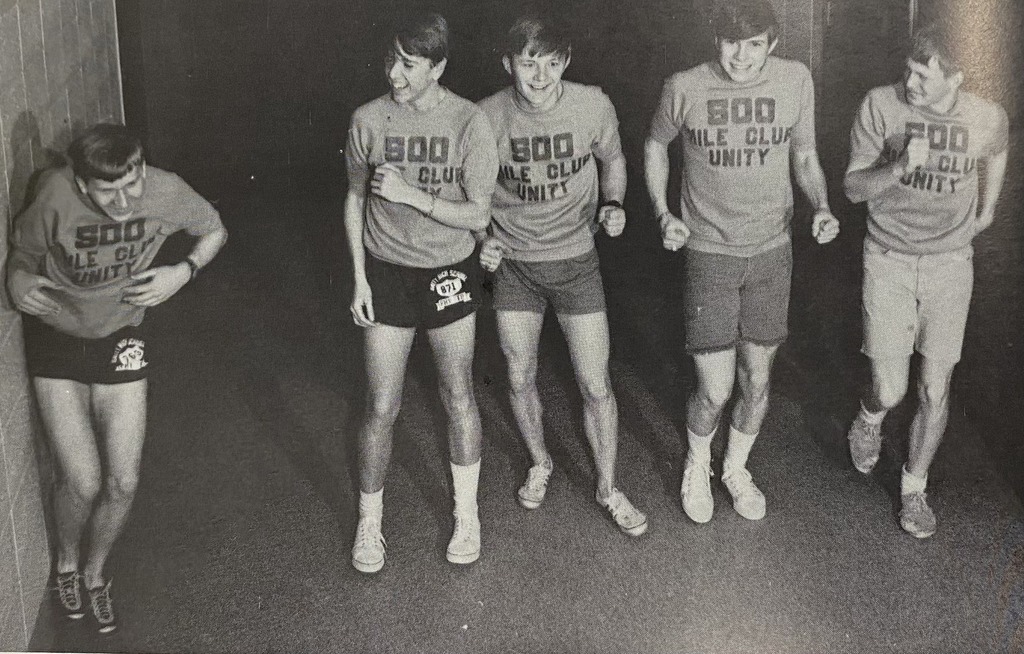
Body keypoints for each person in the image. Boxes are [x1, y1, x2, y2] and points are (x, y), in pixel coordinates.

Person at [6, 123, 228, 632]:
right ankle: (66, 564)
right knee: (82, 482)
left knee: (123, 482)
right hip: (58, 337)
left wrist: (183, 271)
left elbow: (215, 229)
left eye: (133, 183)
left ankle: (95, 573)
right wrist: (17, 280)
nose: (126, 201)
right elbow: (22, 255)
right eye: (109, 192)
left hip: (122, 335)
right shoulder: (55, 194)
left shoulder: (166, 190)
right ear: (82, 184)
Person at [644, 0, 839, 524]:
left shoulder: (795, 80)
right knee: (714, 388)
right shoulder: (684, 86)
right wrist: (663, 213)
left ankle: (734, 468)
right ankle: (697, 463)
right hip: (709, 251)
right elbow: (655, 145)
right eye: (732, 42)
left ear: (772, 43)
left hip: (772, 251)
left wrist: (821, 206)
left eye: (755, 44)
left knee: (757, 380)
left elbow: (805, 155)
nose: (742, 56)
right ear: (716, 40)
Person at [478, 14, 648, 537]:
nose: (541, 76)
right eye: (529, 63)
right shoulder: (485, 117)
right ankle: (540, 462)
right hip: (515, 265)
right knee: (518, 374)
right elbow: (469, 191)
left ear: (566, 61)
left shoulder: (592, 104)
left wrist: (613, 203)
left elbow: (613, 159)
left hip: (576, 260)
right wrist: (481, 239)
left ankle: (608, 487)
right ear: (508, 63)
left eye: (552, 63)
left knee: (595, 382)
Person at [344, 12, 498, 572]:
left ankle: (466, 514)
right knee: (380, 404)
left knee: (458, 393)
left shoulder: (469, 121)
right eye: (392, 59)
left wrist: (412, 195)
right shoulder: (368, 119)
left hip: (447, 269)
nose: (395, 73)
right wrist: (359, 276)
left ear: (438, 67)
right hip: (387, 271)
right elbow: (355, 198)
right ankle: (369, 522)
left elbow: (478, 213)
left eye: (409, 64)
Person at [844, 22, 1008, 538]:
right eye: (908, 71)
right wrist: (897, 168)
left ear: (956, 78)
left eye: (923, 77)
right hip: (888, 257)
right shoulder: (881, 105)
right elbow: (852, 188)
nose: (910, 84)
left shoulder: (985, 116)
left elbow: (998, 148)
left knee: (935, 388)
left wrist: (987, 210)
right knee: (891, 389)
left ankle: (914, 488)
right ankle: (870, 416)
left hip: (950, 263)